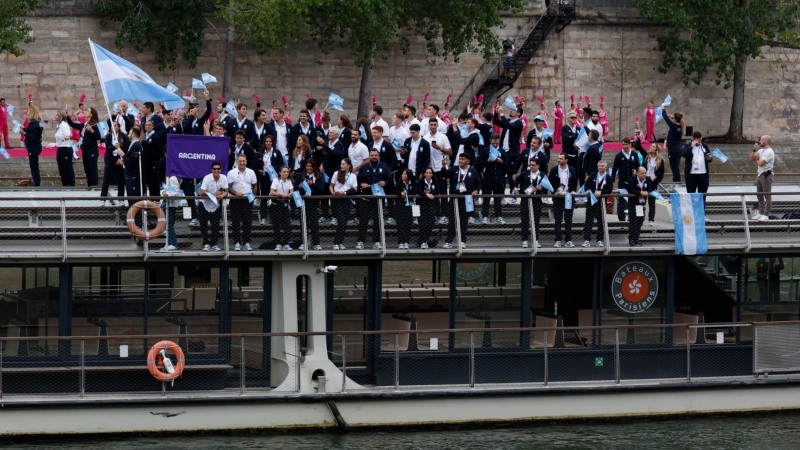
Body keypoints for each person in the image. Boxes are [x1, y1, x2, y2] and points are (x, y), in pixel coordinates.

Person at [356, 149, 393, 250]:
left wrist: (385, 183)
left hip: (378, 200)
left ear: (379, 156)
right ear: (369, 157)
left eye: (376, 155)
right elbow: (358, 180)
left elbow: (390, 180)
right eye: (372, 155)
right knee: (363, 221)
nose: (374, 157)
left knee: (377, 221)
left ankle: (376, 241)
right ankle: (360, 241)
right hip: (366, 199)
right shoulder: (364, 167)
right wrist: (361, 184)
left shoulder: (384, 166)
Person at [443, 152, 481, 249]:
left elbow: (478, 184)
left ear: (468, 161)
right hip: (454, 199)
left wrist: (476, 190)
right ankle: (448, 241)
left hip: (467, 199)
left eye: (463, 159)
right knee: (452, 221)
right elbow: (445, 175)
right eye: (460, 159)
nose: (460, 161)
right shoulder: (454, 169)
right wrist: (443, 166)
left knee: (464, 221)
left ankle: (463, 241)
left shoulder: (473, 171)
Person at [633, 132, 665, 226]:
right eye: (650, 146)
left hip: (653, 183)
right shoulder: (647, 156)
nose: (650, 147)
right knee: (641, 202)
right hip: (643, 181)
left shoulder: (660, 160)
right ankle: (639, 218)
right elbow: (639, 147)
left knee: (651, 203)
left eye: (652, 147)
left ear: (656, 150)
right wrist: (638, 136)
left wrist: (655, 180)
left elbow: (661, 173)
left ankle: (651, 220)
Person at [228, 154, 258, 251]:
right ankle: (237, 242)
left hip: (247, 201)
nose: (242, 163)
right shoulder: (231, 172)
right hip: (235, 200)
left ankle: (246, 242)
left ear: (246, 162)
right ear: (237, 161)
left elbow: (255, 186)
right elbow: (228, 187)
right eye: (240, 161)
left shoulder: (251, 172)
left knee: (247, 222)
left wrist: (252, 197)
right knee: (235, 222)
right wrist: (236, 193)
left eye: (243, 161)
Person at [294, 159, 326, 250]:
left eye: (311, 166)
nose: (309, 168)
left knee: (314, 223)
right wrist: (299, 186)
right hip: (303, 203)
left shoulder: (319, 175)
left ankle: (316, 243)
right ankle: (304, 243)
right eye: (307, 166)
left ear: (314, 167)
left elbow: (321, 189)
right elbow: (294, 186)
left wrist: (313, 184)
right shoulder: (301, 175)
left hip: (314, 203)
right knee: (303, 223)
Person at [66, 107, 101, 186]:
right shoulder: (84, 124)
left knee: (92, 169)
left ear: (91, 114)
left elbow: (99, 137)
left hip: (92, 150)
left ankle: (94, 186)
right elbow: (73, 124)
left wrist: (92, 131)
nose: (85, 112)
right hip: (85, 150)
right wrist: (67, 116)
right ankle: (89, 185)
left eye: (87, 111)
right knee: (87, 169)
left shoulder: (94, 125)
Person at [582, 160, 613, 248]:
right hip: (591, 202)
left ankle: (599, 240)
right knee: (588, 221)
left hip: (602, 203)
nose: (600, 167)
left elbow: (609, 190)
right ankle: (587, 240)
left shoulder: (608, 177)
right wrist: (587, 190)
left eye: (602, 166)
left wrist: (601, 192)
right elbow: (586, 185)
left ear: (606, 167)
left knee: (601, 221)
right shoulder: (593, 175)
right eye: (599, 166)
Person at [548, 153, 577, 247]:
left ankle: (568, 240)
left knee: (568, 219)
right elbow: (550, 183)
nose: (559, 160)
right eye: (558, 158)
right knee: (558, 220)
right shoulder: (554, 170)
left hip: (568, 197)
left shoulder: (572, 169)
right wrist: (554, 192)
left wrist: (573, 190)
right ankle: (558, 240)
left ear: (566, 160)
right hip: (558, 198)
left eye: (561, 158)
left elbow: (574, 182)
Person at [516, 159, 546, 248]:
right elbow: (516, 181)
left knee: (536, 221)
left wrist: (542, 188)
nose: (531, 166)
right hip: (525, 199)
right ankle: (525, 240)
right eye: (530, 165)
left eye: (533, 165)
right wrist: (515, 188)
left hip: (537, 200)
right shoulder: (525, 173)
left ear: (538, 165)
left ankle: (535, 240)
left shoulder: (543, 175)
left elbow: (547, 188)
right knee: (525, 220)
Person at [198, 161, 228, 252]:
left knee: (215, 225)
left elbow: (226, 191)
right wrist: (214, 195)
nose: (216, 170)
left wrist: (222, 195)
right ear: (211, 170)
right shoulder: (207, 178)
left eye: (218, 169)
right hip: (204, 204)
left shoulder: (224, 177)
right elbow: (202, 193)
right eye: (214, 168)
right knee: (204, 225)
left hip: (216, 205)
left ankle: (214, 244)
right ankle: (206, 244)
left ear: (220, 170)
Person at [478, 133, 507, 224]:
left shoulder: (502, 151)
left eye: (497, 143)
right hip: (488, 177)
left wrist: (502, 162)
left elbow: (507, 165)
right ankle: (485, 216)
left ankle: (498, 216)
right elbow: (479, 164)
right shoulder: (485, 150)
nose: (495, 145)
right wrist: (487, 161)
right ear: (490, 141)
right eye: (494, 143)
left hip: (498, 177)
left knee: (497, 198)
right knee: (486, 197)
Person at [329, 158, 357, 249]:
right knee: (341, 221)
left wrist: (345, 193)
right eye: (341, 164)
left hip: (346, 199)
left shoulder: (353, 176)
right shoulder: (336, 173)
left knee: (344, 222)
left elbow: (355, 188)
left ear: (349, 165)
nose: (342, 166)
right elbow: (331, 185)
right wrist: (333, 193)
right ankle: (336, 243)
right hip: (337, 200)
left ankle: (340, 242)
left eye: (344, 164)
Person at [612, 137, 640, 221]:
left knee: (634, 199)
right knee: (621, 199)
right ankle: (621, 218)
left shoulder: (634, 154)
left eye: (626, 144)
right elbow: (614, 168)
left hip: (633, 181)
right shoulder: (619, 155)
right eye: (623, 144)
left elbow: (638, 166)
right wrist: (612, 180)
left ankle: (635, 218)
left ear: (630, 145)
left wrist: (636, 172)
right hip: (622, 181)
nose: (624, 146)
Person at [101, 120, 128, 204]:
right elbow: (108, 147)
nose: (114, 127)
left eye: (115, 126)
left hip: (119, 160)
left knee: (120, 181)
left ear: (118, 127)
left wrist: (122, 158)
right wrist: (115, 147)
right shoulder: (108, 136)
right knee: (106, 180)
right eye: (112, 126)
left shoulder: (123, 136)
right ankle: (103, 198)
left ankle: (121, 199)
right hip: (110, 160)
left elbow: (126, 147)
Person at [682, 131, 712, 204]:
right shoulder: (688, 146)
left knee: (702, 196)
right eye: (696, 139)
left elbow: (709, 156)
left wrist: (710, 158)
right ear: (693, 139)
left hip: (703, 174)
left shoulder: (704, 146)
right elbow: (684, 154)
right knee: (691, 195)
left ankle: (701, 214)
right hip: (691, 175)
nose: (698, 141)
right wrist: (692, 146)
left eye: (699, 139)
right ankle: (692, 214)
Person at [627, 167, 654, 246]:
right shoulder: (633, 179)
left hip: (640, 205)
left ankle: (636, 239)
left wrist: (646, 192)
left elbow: (650, 189)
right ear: (637, 173)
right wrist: (640, 192)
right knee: (633, 222)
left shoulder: (648, 179)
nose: (644, 174)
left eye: (645, 172)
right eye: (642, 173)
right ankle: (631, 239)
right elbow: (630, 189)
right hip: (633, 203)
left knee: (639, 221)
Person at [750, 135, 775, 221]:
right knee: (759, 194)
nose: (759, 141)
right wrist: (754, 150)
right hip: (760, 174)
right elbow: (751, 158)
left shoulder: (769, 151)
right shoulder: (761, 150)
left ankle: (766, 214)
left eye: (761, 140)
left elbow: (761, 163)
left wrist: (757, 159)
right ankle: (761, 213)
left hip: (767, 175)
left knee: (767, 195)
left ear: (766, 141)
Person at [269, 166, 294, 251]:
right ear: (280, 173)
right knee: (276, 226)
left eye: (287, 172)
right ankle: (278, 244)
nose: (286, 173)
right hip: (276, 205)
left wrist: (290, 195)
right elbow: (271, 192)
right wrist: (280, 195)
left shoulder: (289, 181)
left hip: (285, 206)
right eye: (284, 172)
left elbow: (291, 191)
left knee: (287, 225)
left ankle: (286, 243)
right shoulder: (276, 180)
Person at [416, 167, 441, 249]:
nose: (428, 174)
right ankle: (423, 242)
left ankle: (423, 239)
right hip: (420, 206)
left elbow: (437, 191)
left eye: (430, 173)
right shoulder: (420, 181)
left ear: (432, 174)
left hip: (431, 206)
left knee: (431, 222)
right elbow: (418, 191)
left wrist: (431, 193)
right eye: (427, 172)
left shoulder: (435, 181)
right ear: (424, 174)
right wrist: (426, 194)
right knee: (422, 223)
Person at [20, 104, 43, 186]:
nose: (27, 112)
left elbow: (33, 136)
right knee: (34, 165)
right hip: (36, 146)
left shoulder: (33, 123)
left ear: (32, 112)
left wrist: (24, 133)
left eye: (28, 110)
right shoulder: (36, 122)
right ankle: (36, 181)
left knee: (34, 166)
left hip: (33, 147)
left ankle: (37, 183)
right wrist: (24, 129)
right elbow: (33, 132)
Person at [661, 105, 685, 182]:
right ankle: (676, 181)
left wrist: (663, 109)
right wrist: (672, 117)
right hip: (678, 148)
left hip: (673, 149)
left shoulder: (673, 126)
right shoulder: (679, 127)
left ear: (675, 119)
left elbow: (665, 118)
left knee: (674, 167)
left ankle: (677, 182)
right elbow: (674, 120)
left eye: (673, 118)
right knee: (676, 167)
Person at [160, 173, 182, 252]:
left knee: (169, 224)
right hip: (166, 203)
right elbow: (163, 189)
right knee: (167, 224)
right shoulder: (166, 177)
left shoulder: (172, 178)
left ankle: (173, 244)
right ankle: (168, 243)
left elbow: (176, 192)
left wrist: (166, 194)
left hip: (170, 204)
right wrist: (163, 193)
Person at [53, 110, 75, 186]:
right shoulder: (58, 125)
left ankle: (71, 185)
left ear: (60, 117)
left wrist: (64, 138)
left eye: (56, 115)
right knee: (61, 168)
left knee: (67, 168)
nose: (55, 116)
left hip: (66, 149)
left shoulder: (64, 125)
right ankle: (65, 184)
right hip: (60, 148)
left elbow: (68, 136)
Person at [396, 169, 417, 249]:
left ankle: (406, 241)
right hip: (401, 206)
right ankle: (401, 242)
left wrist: (408, 193)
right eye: (402, 173)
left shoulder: (413, 183)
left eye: (405, 174)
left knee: (408, 225)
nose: (403, 175)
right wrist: (400, 193)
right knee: (400, 225)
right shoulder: (399, 182)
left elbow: (415, 191)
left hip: (410, 206)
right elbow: (396, 190)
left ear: (408, 175)